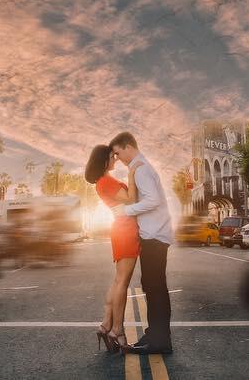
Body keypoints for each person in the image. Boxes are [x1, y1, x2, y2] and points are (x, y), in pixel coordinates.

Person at [109, 132, 174, 355]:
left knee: (155, 288)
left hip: (155, 236)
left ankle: (160, 341)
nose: (117, 158)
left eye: (118, 153)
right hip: (154, 235)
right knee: (151, 286)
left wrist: (126, 210)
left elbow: (153, 200)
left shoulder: (142, 168)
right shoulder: (139, 167)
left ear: (128, 147)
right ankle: (155, 334)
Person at [86, 143, 139, 354]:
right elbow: (131, 200)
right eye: (112, 156)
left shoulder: (104, 181)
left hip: (122, 229)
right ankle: (117, 330)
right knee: (122, 282)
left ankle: (106, 325)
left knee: (119, 281)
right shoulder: (106, 181)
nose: (115, 159)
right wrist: (132, 175)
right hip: (125, 230)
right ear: (104, 160)